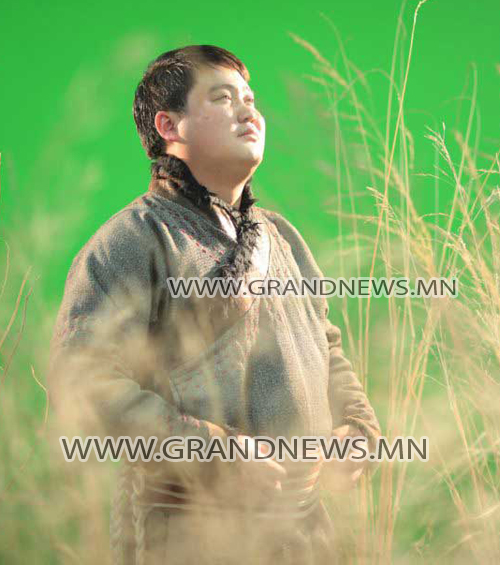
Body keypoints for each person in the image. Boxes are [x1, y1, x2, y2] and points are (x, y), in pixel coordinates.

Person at [48, 45, 382, 565]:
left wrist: (357, 427)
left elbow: (326, 346)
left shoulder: (285, 239)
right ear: (168, 125)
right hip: (186, 535)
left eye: (251, 99)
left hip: (305, 535)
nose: (249, 111)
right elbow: (81, 382)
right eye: (223, 98)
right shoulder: (133, 240)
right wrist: (211, 450)